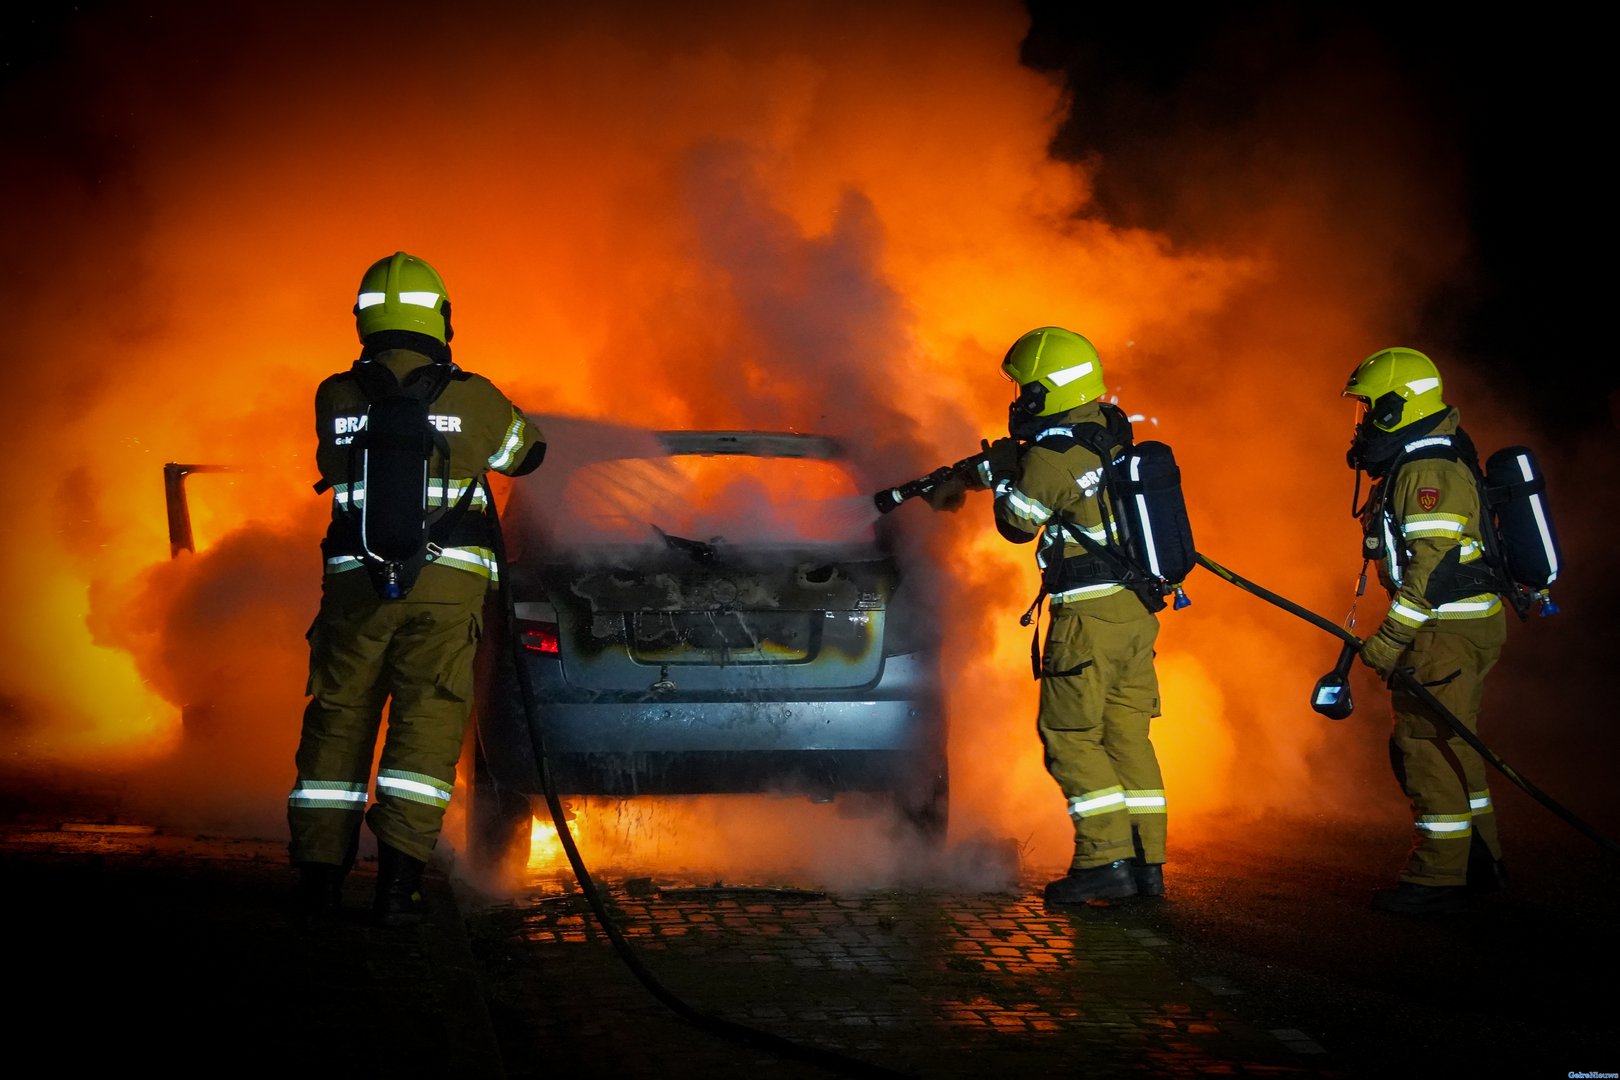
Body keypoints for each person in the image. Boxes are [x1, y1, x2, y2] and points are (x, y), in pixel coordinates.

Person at [288, 251, 546, 926]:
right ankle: (396, 890)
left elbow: (330, 462)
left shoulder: (335, 396)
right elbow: (528, 453)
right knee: (425, 727)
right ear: (441, 318)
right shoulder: (475, 398)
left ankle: (319, 886)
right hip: (445, 596)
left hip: (355, 592)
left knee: (338, 719)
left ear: (364, 319)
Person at [955, 325, 1169, 904]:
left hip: (1085, 621)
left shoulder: (1052, 460)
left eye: (1024, 388)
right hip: (1134, 613)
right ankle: (1146, 863)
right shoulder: (1112, 438)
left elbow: (1016, 524)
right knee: (1127, 738)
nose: (1018, 400)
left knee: (1070, 736)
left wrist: (1005, 474)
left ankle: (1104, 862)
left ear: (1046, 391)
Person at [1342, 346, 1508, 915]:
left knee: (1424, 745)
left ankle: (1438, 878)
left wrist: (1390, 640)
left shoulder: (1427, 469)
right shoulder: (1422, 458)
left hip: (1446, 632)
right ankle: (1480, 861)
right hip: (1458, 627)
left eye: (1371, 407)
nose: (1364, 421)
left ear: (1398, 406)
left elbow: (1430, 572)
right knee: (1455, 743)